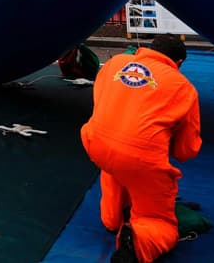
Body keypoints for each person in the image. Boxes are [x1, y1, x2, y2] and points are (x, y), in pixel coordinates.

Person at [81, 35, 201, 263]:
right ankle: (135, 243)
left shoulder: (114, 63)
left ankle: (112, 218)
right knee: (160, 222)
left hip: (95, 143)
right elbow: (186, 151)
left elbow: (102, 105)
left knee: (115, 164)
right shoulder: (182, 87)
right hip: (140, 159)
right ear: (179, 62)